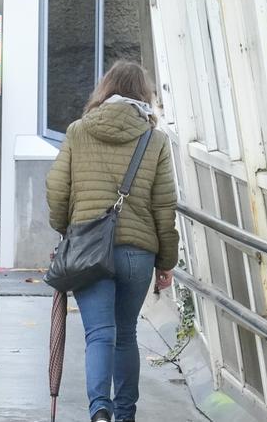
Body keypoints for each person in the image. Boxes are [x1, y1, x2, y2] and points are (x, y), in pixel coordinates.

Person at [45, 61, 179, 422]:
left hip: (89, 249)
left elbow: (57, 189)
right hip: (137, 253)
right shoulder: (155, 140)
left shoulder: (77, 131)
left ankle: (99, 411)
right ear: (144, 96)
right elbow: (165, 206)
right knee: (126, 334)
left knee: (99, 334)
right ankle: (125, 414)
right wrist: (167, 261)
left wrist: (66, 229)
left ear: (104, 91)